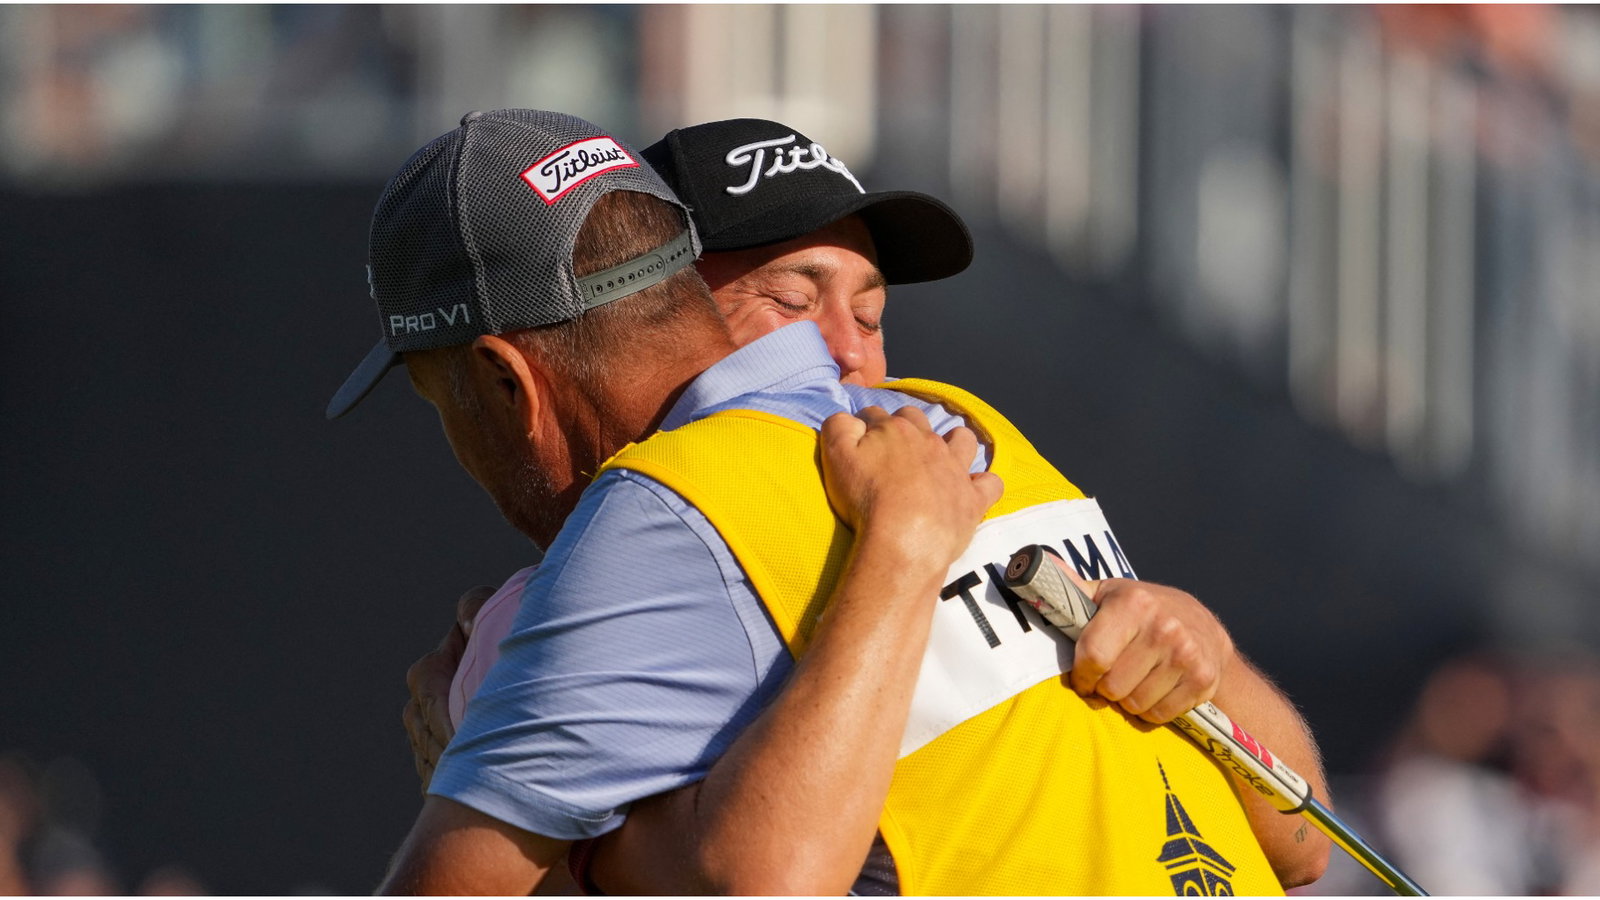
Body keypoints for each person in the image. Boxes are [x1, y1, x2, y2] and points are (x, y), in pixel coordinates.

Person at [330, 110, 1327, 894]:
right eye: (794, 300)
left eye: (867, 308)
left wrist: (1204, 651)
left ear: (509, 382)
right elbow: (1301, 841)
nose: (842, 356)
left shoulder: (665, 508)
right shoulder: (965, 427)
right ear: (684, 292)